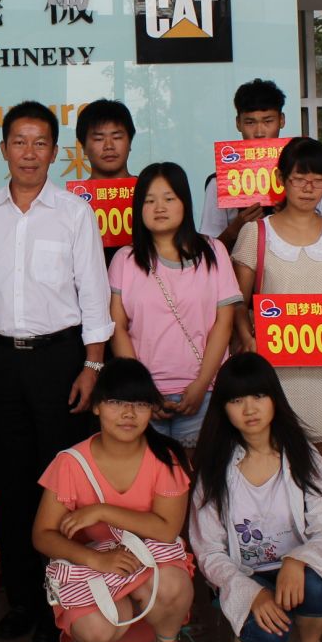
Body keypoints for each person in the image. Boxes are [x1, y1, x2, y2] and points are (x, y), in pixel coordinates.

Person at [0, 100, 112, 642]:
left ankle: (63, 599)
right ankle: (24, 599)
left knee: (63, 481)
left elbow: (94, 294)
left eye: (40, 143)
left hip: (60, 360)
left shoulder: (74, 212)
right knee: (8, 479)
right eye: (19, 142)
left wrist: (92, 364)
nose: (29, 153)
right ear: (3, 149)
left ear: (55, 152)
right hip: (0, 358)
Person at [32, 358, 196, 642]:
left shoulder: (165, 457)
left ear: (152, 410)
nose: (128, 414)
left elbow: (166, 530)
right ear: (96, 407)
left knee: (172, 585)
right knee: (95, 628)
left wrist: (102, 511)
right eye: (116, 402)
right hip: (95, 564)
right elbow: (42, 535)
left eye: (140, 404)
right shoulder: (71, 462)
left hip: (151, 561)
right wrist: (97, 559)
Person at [189, 354, 322, 642]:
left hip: (294, 571)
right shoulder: (214, 467)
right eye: (236, 400)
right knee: (266, 634)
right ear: (223, 409)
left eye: (259, 395)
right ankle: (245, 638)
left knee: (319, 589)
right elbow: (208, 550)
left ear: (275, 398)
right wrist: (250, 592)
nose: (250, 409)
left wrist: (297, 559)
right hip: (245, 573)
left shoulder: (303, 455)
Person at [233, 138, 322, 491]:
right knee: (270, 471)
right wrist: (246, 338)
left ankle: (321, 530)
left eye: (318, 180)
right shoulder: (256, 233)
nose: (308, 188)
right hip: (272, 372)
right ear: (281, 179)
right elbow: (236, 302)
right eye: (299, 179)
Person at [108, 162, 238, 449]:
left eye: (169, 198)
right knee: (149, 475)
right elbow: (118, 329)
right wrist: (142, 391)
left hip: (204, 393)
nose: (159, 207)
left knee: (198, 475)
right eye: (149, 200)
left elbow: (224, 323)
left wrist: (202, 384)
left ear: (185, 202)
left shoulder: (213, 252)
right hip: (142, 399)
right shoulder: (125, 260)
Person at [199, 79, 322, 251]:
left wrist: (296, 214)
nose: (259, 132)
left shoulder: (309, 178)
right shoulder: (220, 183)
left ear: (281, 120)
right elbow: (206, 253)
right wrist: (234, 230)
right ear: (238, 123)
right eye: (250, 122)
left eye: (268, 121)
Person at [76, 98, 134, 180]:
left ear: (130, 142)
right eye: (99, 139)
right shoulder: (76, 189)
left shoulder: (147, 188)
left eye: (117, 137)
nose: (109, 146)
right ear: (84, 147)